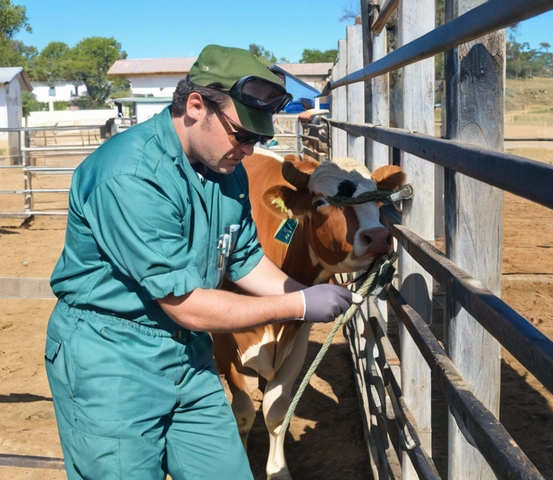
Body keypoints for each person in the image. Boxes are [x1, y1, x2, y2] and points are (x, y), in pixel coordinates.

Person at [44, 44, 360, 480]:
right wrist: (299, 307)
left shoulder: (225, 171)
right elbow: (188, 304)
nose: (249, 150)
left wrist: (303, 290)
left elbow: (244, 257)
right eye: (242, 135)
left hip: (189, 355)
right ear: (196, 106)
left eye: (259, 140)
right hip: (113, 359)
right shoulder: (131, 175)